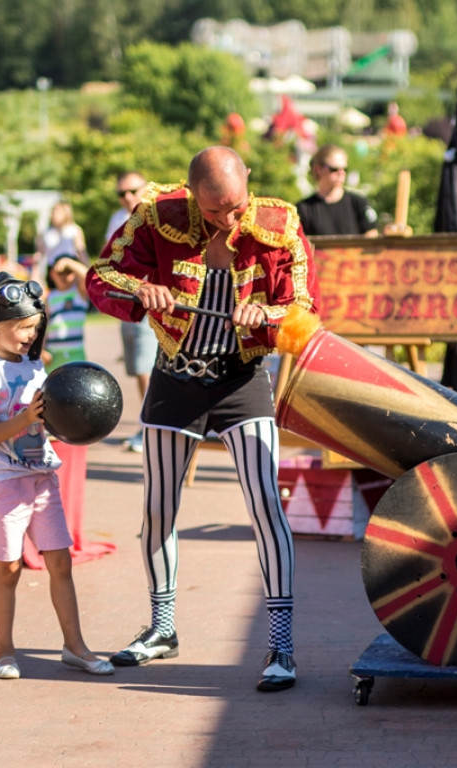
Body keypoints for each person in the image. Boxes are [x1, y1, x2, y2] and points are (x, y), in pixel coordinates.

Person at [86, 146, 321, 692]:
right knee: (158, 507)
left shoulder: (279, 224)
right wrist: (140, 290)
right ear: (193, 195)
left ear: (249, 186)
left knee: (266, 506)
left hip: (242, 380)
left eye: (236, 206)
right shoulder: (155, 215)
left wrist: (267, 314)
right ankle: (163, 626)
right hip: (175, 376)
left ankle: (281, 644)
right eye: (214, 210)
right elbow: (101, 276)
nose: (228, 219)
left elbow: (306, 308)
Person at [0, 270, 114, 681]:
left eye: (35, 327)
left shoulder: (37, 367)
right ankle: (4, 651)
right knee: (9, 568)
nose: (30, 336)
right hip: (5, 483)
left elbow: (46, 422)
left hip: (42, 481)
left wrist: (64, 426)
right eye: (22, 328)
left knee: (60, 565)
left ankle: (76, 647)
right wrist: (25, 418)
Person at [105, 171, 158, 453]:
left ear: (146, 188)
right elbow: (111, 261)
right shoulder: (118, 220)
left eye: (132, 191)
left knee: (148, 368)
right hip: (129, 303)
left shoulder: (158, 214)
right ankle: (149, 422)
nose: (127, 197)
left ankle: (150, 426)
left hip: (154, 304)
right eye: (121, 193)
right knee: (139, 369)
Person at [295, 145, 378, 237]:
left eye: (345, 169)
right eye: (334, 169)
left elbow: (372, 238)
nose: (341, 173)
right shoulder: (304, 209)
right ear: (318, 169)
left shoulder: (358, 203)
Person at [42, 254, 90, 372]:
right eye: (60, 273)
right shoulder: (50, 297)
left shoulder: (79, 293)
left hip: (76, 353)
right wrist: (41, 349)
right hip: (53, 355)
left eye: (68, 272)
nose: (64, 276)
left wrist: (68, 263)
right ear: (52, 274)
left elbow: (89, 277)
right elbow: (44, 325)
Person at [36, 201, 88, 284]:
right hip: (52, 271)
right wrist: (35, 276)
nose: (54, 213)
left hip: (70, 271)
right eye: (53, 211)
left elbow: (81, 252)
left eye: (58, 211)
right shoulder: (45, 233)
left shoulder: (74, 230)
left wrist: (86, 270)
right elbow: (39, 256)